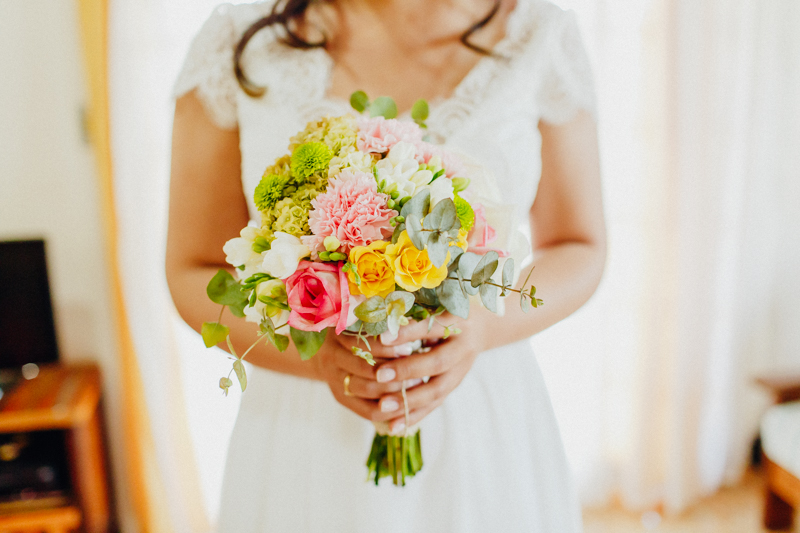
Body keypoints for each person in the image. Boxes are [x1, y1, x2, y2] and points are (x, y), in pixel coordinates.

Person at [167, 0, 605, 530]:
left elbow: (580, 245)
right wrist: (318, 357)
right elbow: (194, 269)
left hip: (483, 410)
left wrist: (482, 325)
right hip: (304, 427)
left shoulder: (538, 32)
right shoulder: (237, 44)